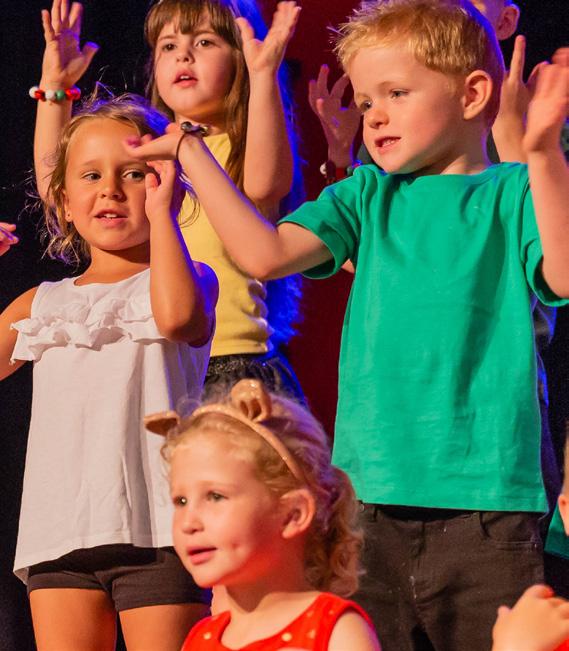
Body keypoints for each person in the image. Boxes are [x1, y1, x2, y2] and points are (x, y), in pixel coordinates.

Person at [125, 0, 569, 648]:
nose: (375, 115)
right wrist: (191, 151)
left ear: (472, 93)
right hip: (368, 503)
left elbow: (562, 275)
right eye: (365, 102)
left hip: (488, 501)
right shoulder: (363, 195)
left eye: (395, 93)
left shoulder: (513, 192)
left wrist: (543, 155)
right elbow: (263, 254)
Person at [0, 94, 218, 650]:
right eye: (91, 175)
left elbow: (178, 319)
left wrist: (163, 216)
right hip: (58, 536)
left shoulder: (190, 278)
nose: (111, 189)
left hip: (159, 531)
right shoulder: (42, 303)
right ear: (64, 201)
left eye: (133, 173)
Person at [33, 0, 305, 401]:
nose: (184, 55)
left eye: (205, 42)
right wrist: (54, 90)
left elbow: (266, 183)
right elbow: (61, 185)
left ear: (240, 58)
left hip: (229, 368)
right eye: (168, 45)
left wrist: (263, 75)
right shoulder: (147, 156)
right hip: (154, 360)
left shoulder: (238, 150)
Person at [144, 378, 380, 650]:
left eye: (215, 496)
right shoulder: (200, 639)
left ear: (293, 514)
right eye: (181, 501)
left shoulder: (336, 629)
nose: (188, 522)